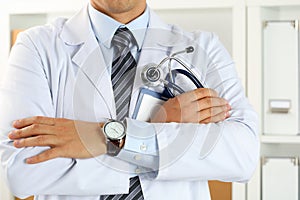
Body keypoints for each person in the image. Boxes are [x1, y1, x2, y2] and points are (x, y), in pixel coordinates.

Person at [0, 0, 259, 199]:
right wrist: (161, 127)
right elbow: (23, 172)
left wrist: (106, 136)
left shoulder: (202, 48)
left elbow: (242, 154)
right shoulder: (36, 47)